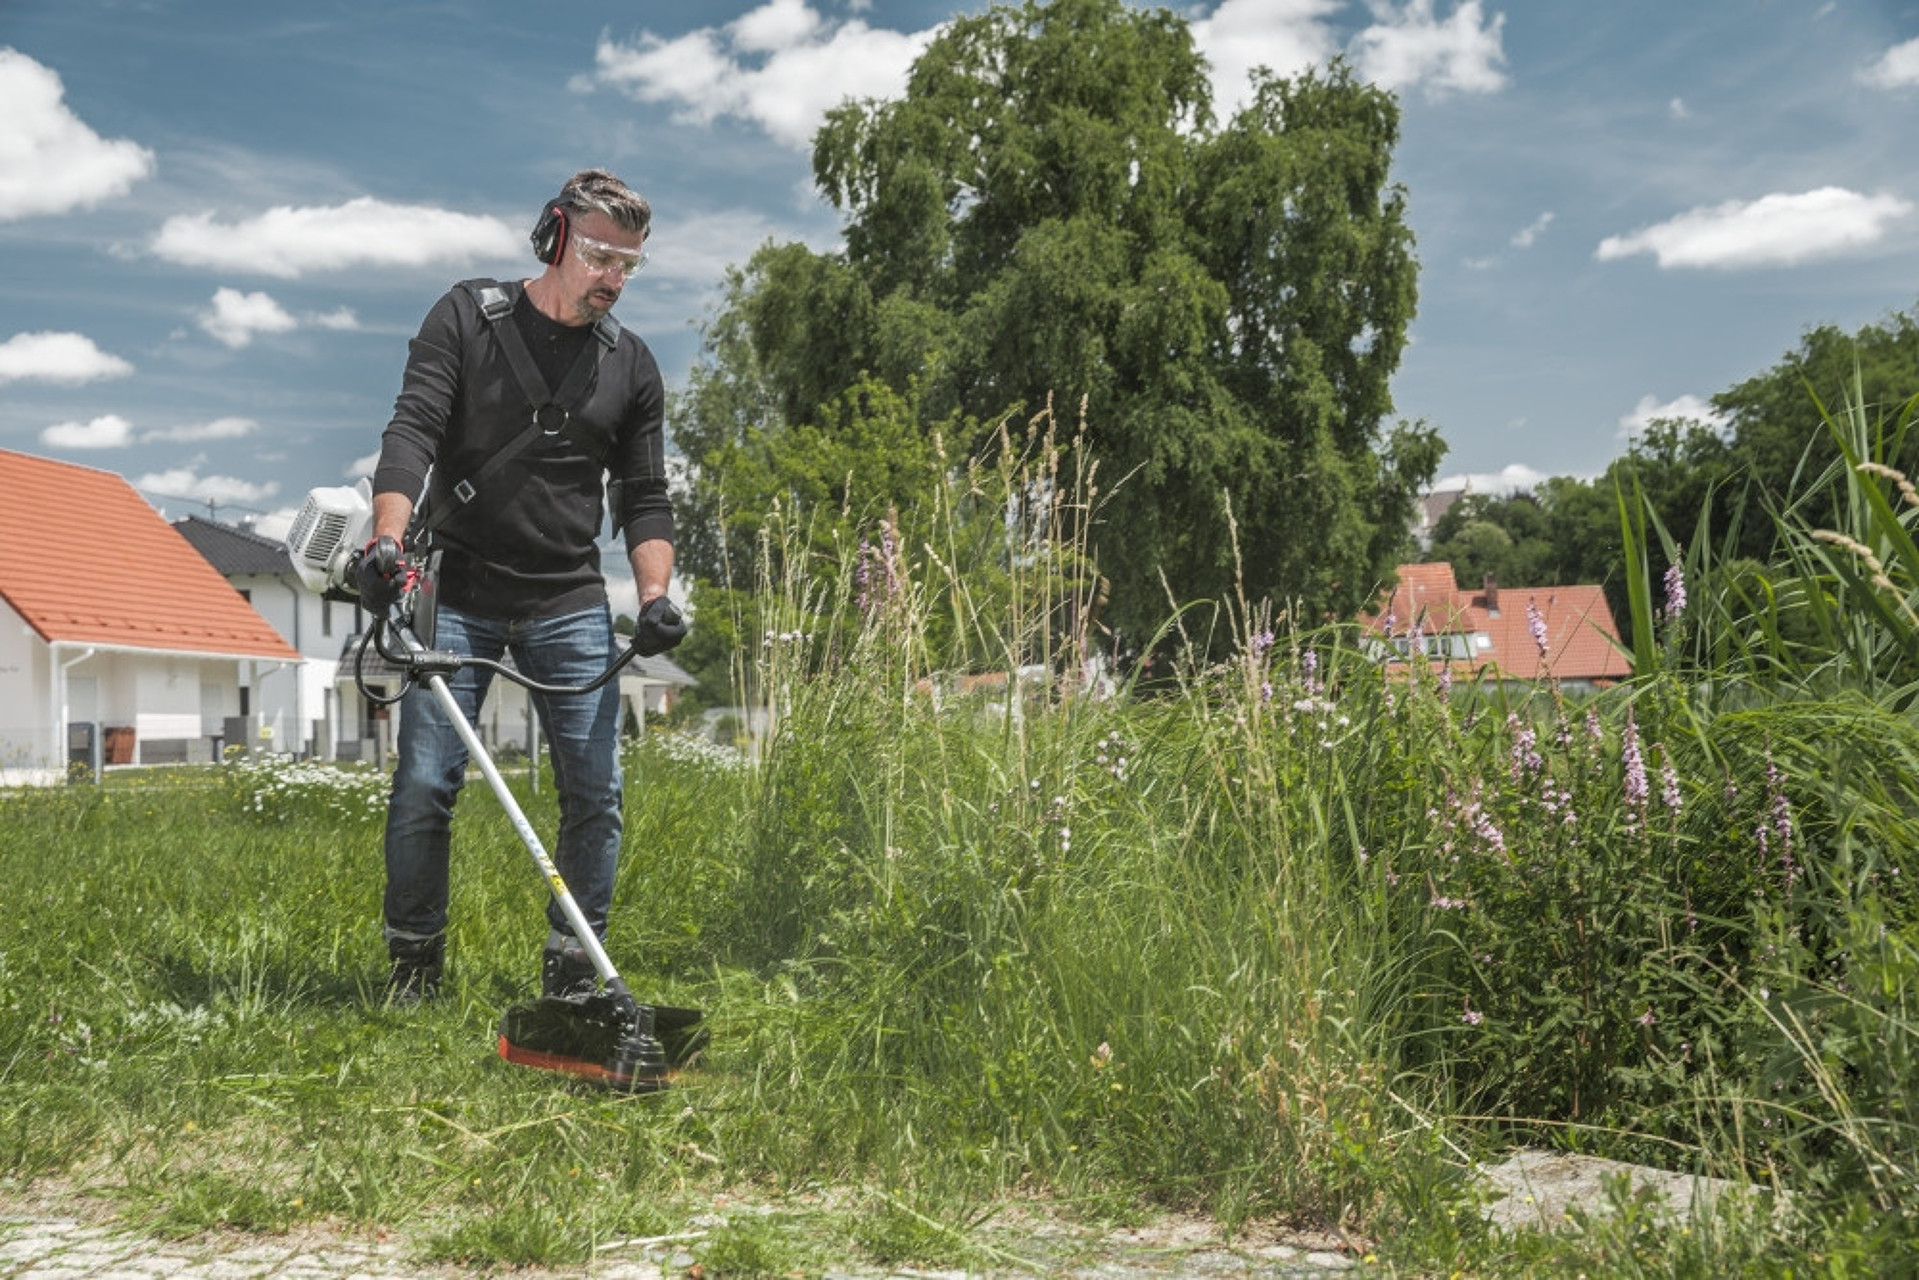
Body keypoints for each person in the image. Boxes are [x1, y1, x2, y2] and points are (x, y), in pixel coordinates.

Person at [358, 169, 684, 1003]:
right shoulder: (467, 317)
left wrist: (653, 599)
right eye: (601, 255)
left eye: (628, 264)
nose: (612, 277)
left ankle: (574, 975)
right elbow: (412, 431)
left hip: (569, 601)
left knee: (595, 792)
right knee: (427, 783)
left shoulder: (632, 366)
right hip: (457, 590)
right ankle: (414, 968)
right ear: (554, 238)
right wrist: (387, 541)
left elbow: (644, 497)